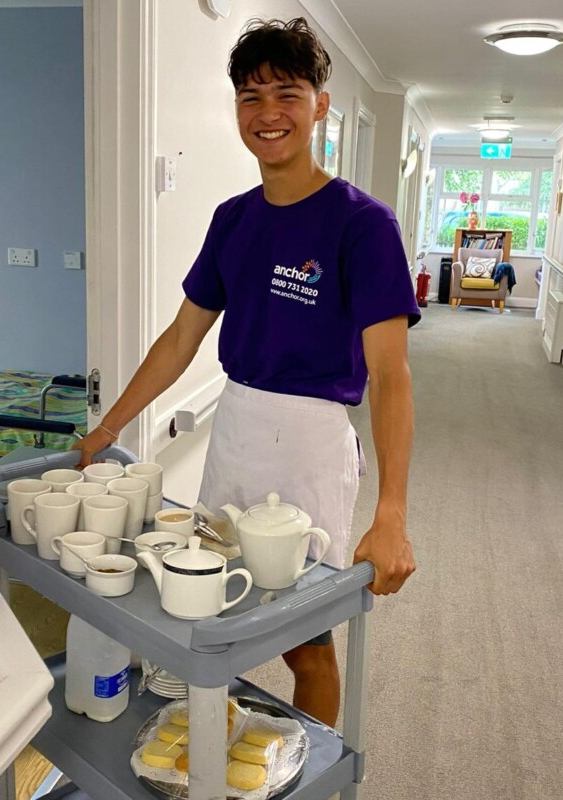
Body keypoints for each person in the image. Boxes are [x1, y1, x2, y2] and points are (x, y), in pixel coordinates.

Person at [74, 17, 420, 726]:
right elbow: (180, 338)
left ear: (321, 104)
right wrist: (105, 427)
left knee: (304, 642)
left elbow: (391, 376)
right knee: (201, 606)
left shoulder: (363, 225)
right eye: (250, 97)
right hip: (236, 430)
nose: (268, 115)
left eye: (287, 94)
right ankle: (202, 753)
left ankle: (314, 768)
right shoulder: (234, 220)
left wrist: (392, 515)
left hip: (312, 445)